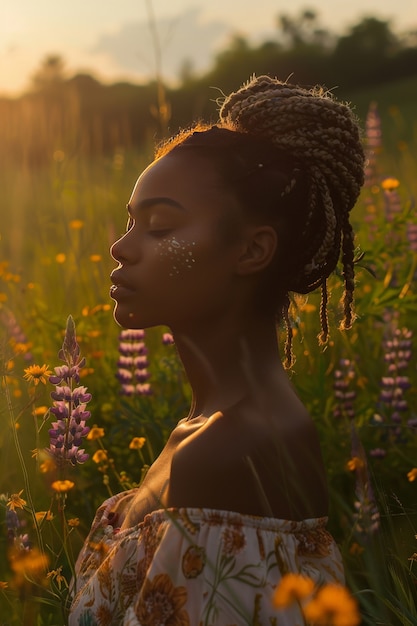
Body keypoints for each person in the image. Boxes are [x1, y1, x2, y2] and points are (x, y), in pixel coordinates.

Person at [68, 75, 365, 625]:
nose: (120, 247)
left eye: (159, 225)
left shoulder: (229, 452)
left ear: (252, 249)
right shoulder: (212, 426)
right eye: (131, 221)